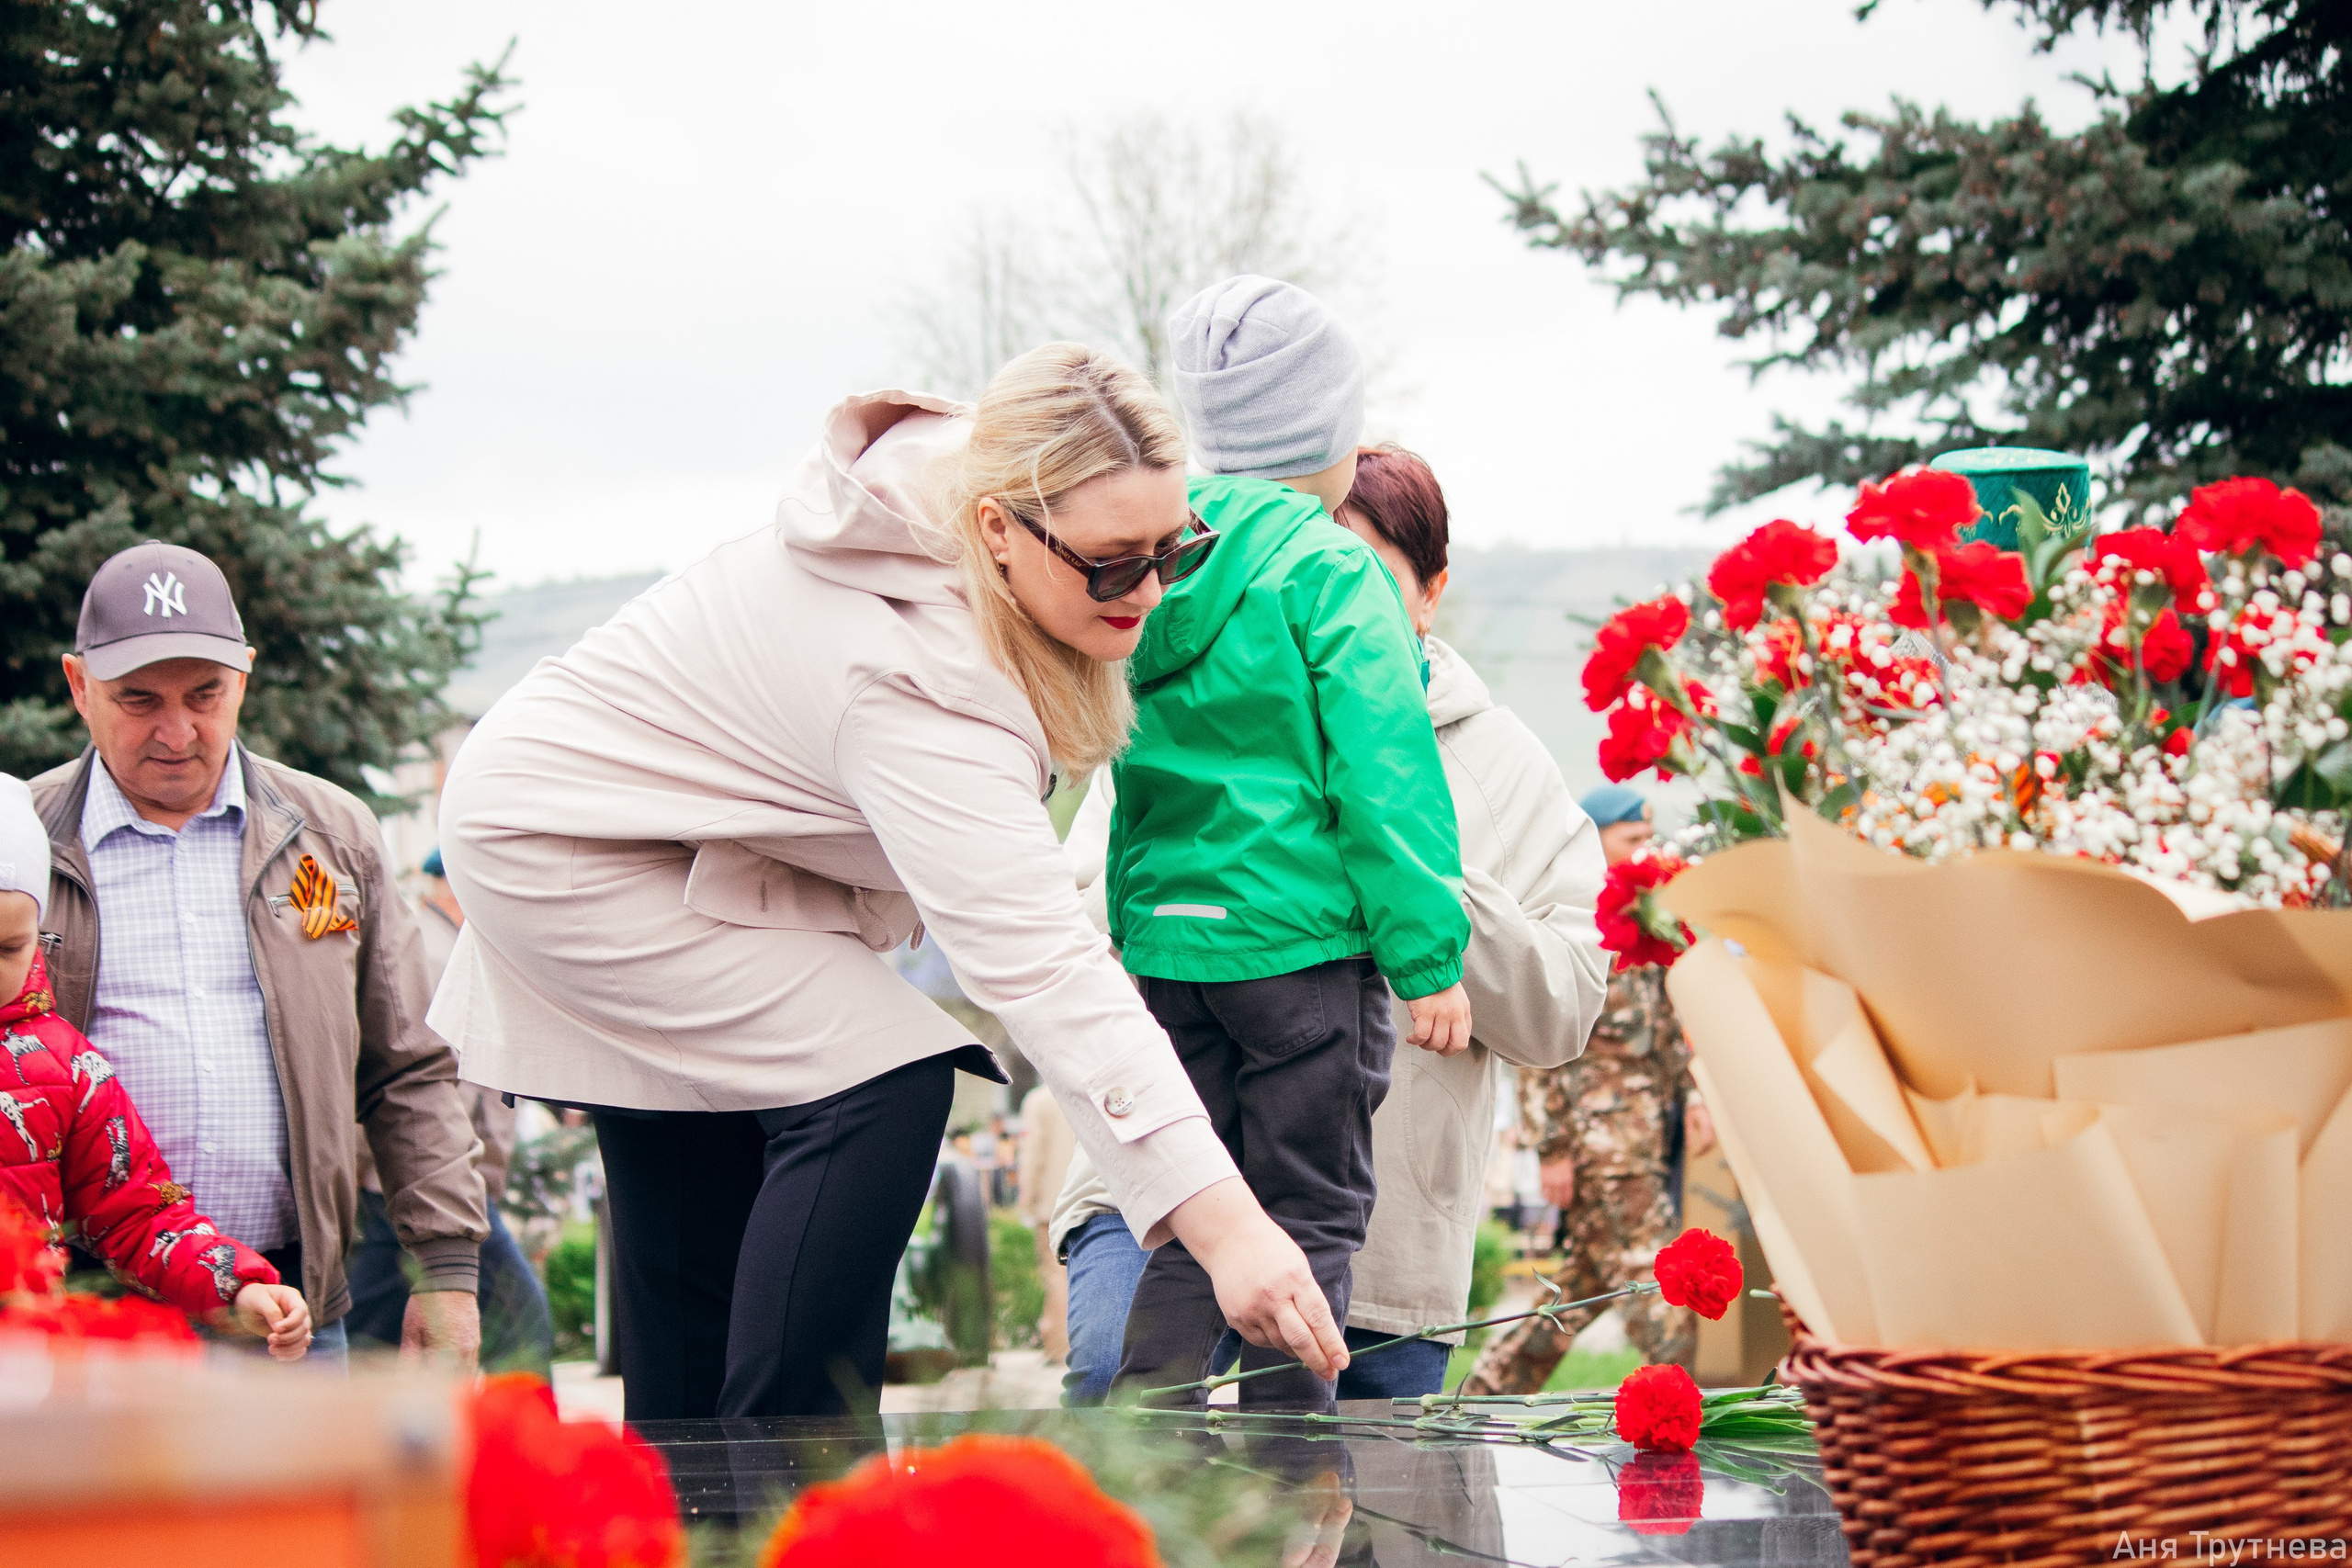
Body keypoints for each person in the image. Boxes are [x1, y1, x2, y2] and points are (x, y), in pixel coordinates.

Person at [429, 348, 1348, 1422]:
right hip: (574, 852)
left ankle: (680, 1518)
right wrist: (1229, 1229)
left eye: (1171, 551)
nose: (1145, 594)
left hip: (659, 837)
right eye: (1109, 564)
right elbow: (1044, 969)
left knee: (700, 1187)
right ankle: (800, 1481)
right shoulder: (920, 675)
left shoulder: (976, 489)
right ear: (997, 527)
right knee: (886, 1081)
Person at [1057, 446, 1610, 1401]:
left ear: (1429, 594)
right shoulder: (1170, 707)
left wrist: (1415, 886)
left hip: (1380, 1248)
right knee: (1124, 1411)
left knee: (1347, 1497)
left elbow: (1567, 1007)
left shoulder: (1504, 765)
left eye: (1356, 571)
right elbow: (1071, 930)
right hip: (1161, 1196)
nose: (1318, 604)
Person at [1103, 278, 1473, 1413]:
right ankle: (1283, 1475)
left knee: (1193, 1210)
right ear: (1324, 433)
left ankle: (1141, 1449)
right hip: (1301, 953)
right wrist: (1429, 959)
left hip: (1169, 950)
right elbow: (1385, 774)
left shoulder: (1146, 563)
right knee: (1309, 1214)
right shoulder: (1329, 569)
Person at [32, 542, 488, 1369]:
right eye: (139, 700)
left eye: (205, 694)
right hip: (89, 1317)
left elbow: (409, 1068)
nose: (177, 732)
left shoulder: (332, 833)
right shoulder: (23, 846)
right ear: (77, 686)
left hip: (294, 1316)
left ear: (244, 674)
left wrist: (447, 1271)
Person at [0, 775, 311, 1359]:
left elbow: (136, 1214)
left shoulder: (65, 1067)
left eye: (7, 948)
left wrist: (235, 1286)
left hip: (22, 1372)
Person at [1462, 785, 1701, 1393]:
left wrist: (1693, 1094)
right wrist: (1552, 1147)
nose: (1646, 850)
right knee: (1662, 1296)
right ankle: (1680, 1412)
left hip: (1643, 1136)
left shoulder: (1649, 915)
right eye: (1633, 838)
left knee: (1585, 1287)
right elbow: (1540, 1039)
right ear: (1594, 837)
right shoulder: (1575, 915)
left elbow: (1666, 1022)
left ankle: (1484, 1391)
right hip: (1602, 1146)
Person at [345, 848, 555, 1375]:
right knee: (520, 1323)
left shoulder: (463, 949)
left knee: (374, 1332)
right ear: (449, 886)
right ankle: (528, 1449)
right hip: (430, 1183)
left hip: (440, 1184)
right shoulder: (434, 953)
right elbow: (411, 1076)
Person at [1014, 1084, 1076, 1362]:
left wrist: (1026, 1201)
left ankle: (1059, 1347)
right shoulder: (1087, 1086)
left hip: (1051, 1203)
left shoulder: (1039, 1101)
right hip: (1092, 1199)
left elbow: (1033, 1155)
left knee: (1056, 1275)